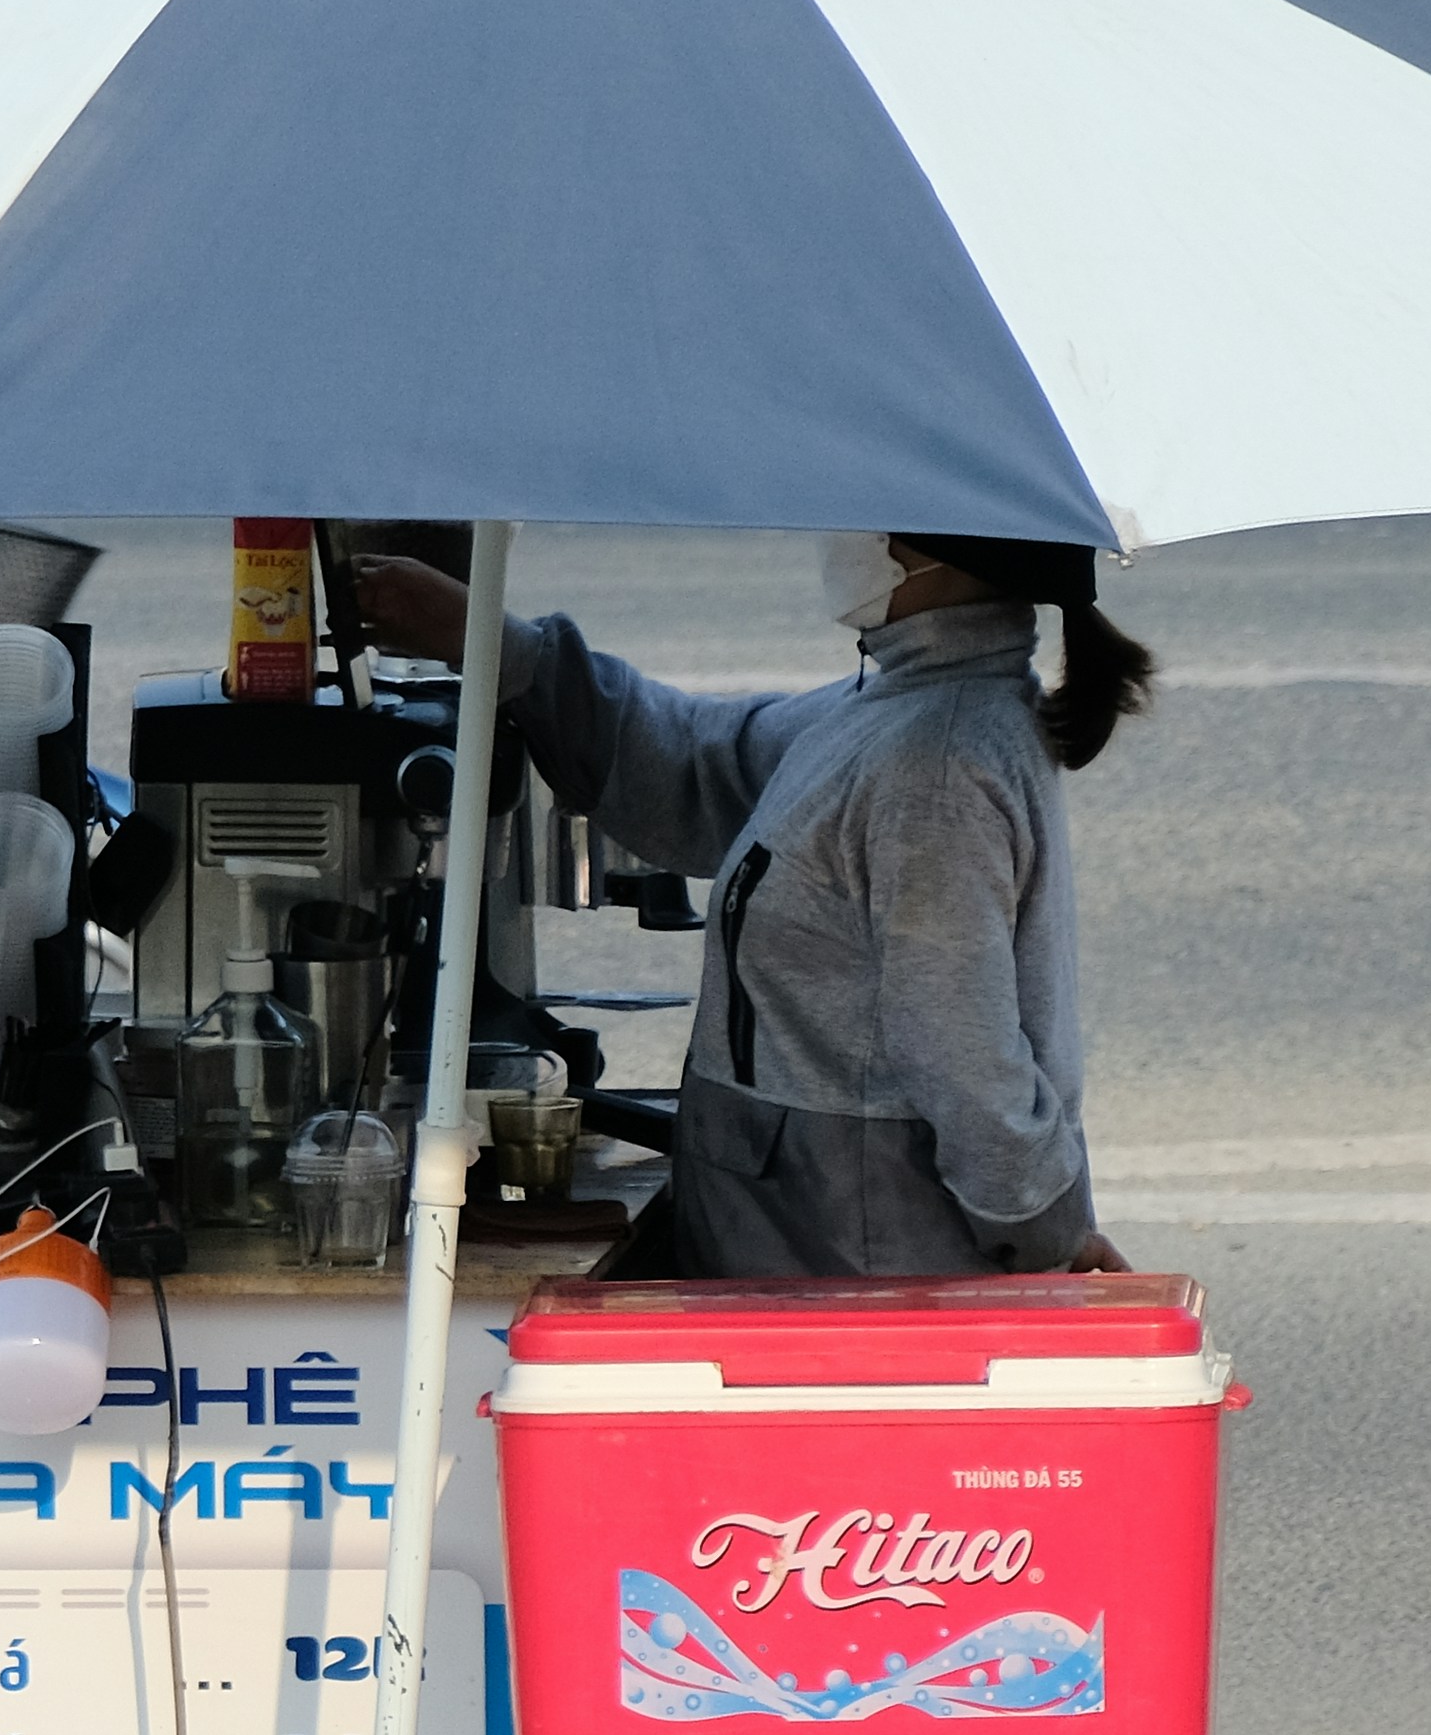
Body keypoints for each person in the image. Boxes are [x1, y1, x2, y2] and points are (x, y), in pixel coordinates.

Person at [357, 532, 1152, 1279]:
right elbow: (700, 760)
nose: (841, 537)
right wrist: (495, 642)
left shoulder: (934, 765)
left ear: (926, 552)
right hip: (803, 1236)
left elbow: (963, 1053)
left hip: (858, 1261)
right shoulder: (897, 709)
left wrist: (1043, 1228)